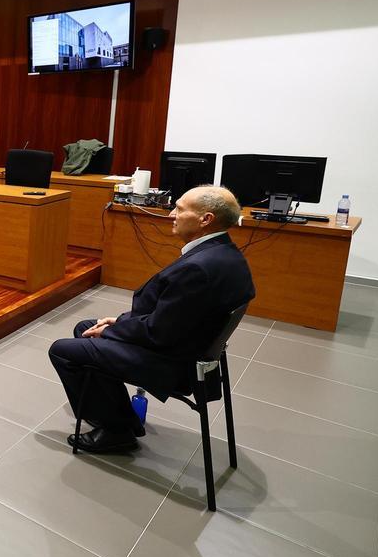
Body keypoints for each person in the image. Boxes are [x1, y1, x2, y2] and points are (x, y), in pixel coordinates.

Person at [48, 185, 255, 453]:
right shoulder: (225, 252)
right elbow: (171, 318)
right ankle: (119, 418)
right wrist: (117, 323)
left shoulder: (198, 268)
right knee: (85, 327)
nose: (172, 214)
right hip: (187, 346)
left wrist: (114, 330)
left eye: (180, 209)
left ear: (206, 220)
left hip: (173, 362)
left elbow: (159, 333)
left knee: (63, 351)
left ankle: (115, 431)